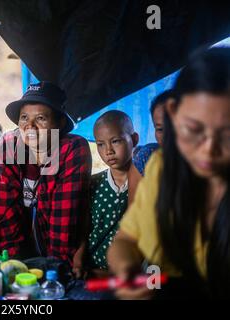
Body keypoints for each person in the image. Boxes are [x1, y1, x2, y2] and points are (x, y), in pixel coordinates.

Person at [107, 47, 230, 299]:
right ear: (173, 112)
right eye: (193, 130)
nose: (207, 151)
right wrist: (127, 269)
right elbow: (126, 240)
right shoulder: (161, 167)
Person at [0, 81, 92, 268]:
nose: (30, 126)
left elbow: (65, 221)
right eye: (24, 117)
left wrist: (56, 268)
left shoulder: (72, 148)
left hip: (56, 251)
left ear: (59, 123)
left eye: (41, 118)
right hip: (18, 250)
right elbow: (5, 211)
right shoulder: (8, 146)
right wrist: (12, 264)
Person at [86, 110, 138, 274]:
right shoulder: (93, 183)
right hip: (93, 271)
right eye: (100, 144)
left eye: (115, 141)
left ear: (134, 139)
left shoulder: (146, 184)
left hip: (130, 275)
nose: (108, 150)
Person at [128, 90, 175, 203]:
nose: (168, 136)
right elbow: (133, 209)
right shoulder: (147, 156)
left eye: (176, 126)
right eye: (160, 129)